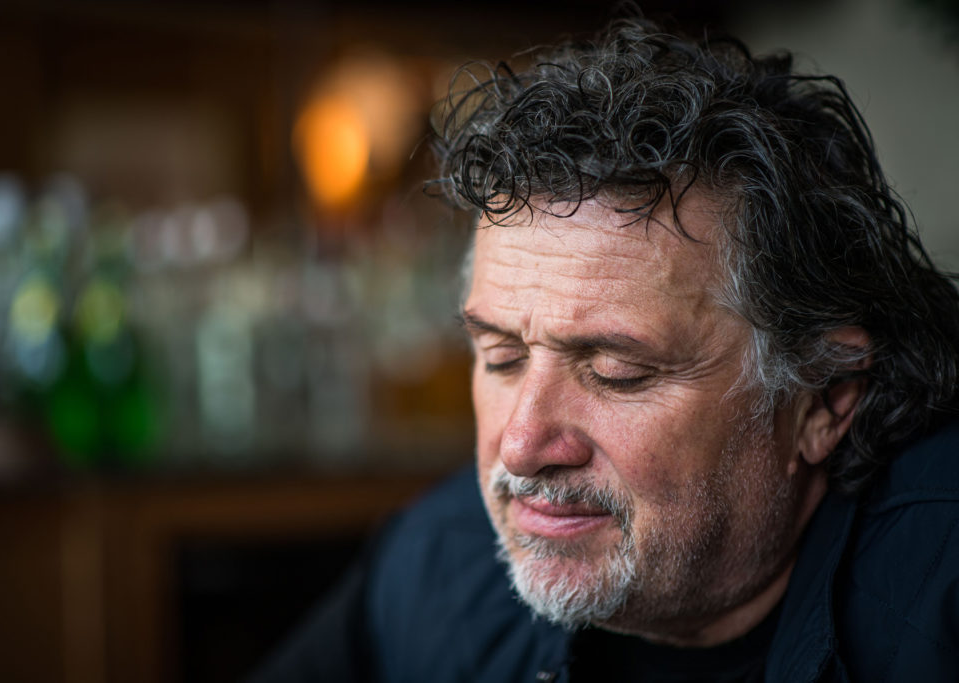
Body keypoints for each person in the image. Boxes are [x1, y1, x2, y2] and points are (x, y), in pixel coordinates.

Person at [250, 16, 959, 683]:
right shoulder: (438, 567)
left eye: (617, 372)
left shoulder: (936, 604)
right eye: (501, 357)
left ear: (825, 396)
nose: (521, 446)